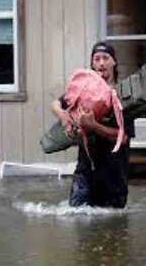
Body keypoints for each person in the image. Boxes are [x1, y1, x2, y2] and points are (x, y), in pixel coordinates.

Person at [51, 41, 135, 208]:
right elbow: (56, 103)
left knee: (112, 228)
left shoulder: (123, 95)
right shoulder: (83, 90)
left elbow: (124, 138)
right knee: (75, 217)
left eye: (106, 58)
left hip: (114, 174)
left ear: (114, 62)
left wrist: (93, 126)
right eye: (96, 59)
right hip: (85, 170)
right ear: (92, 63)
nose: (101, 63)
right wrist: (63, 116)